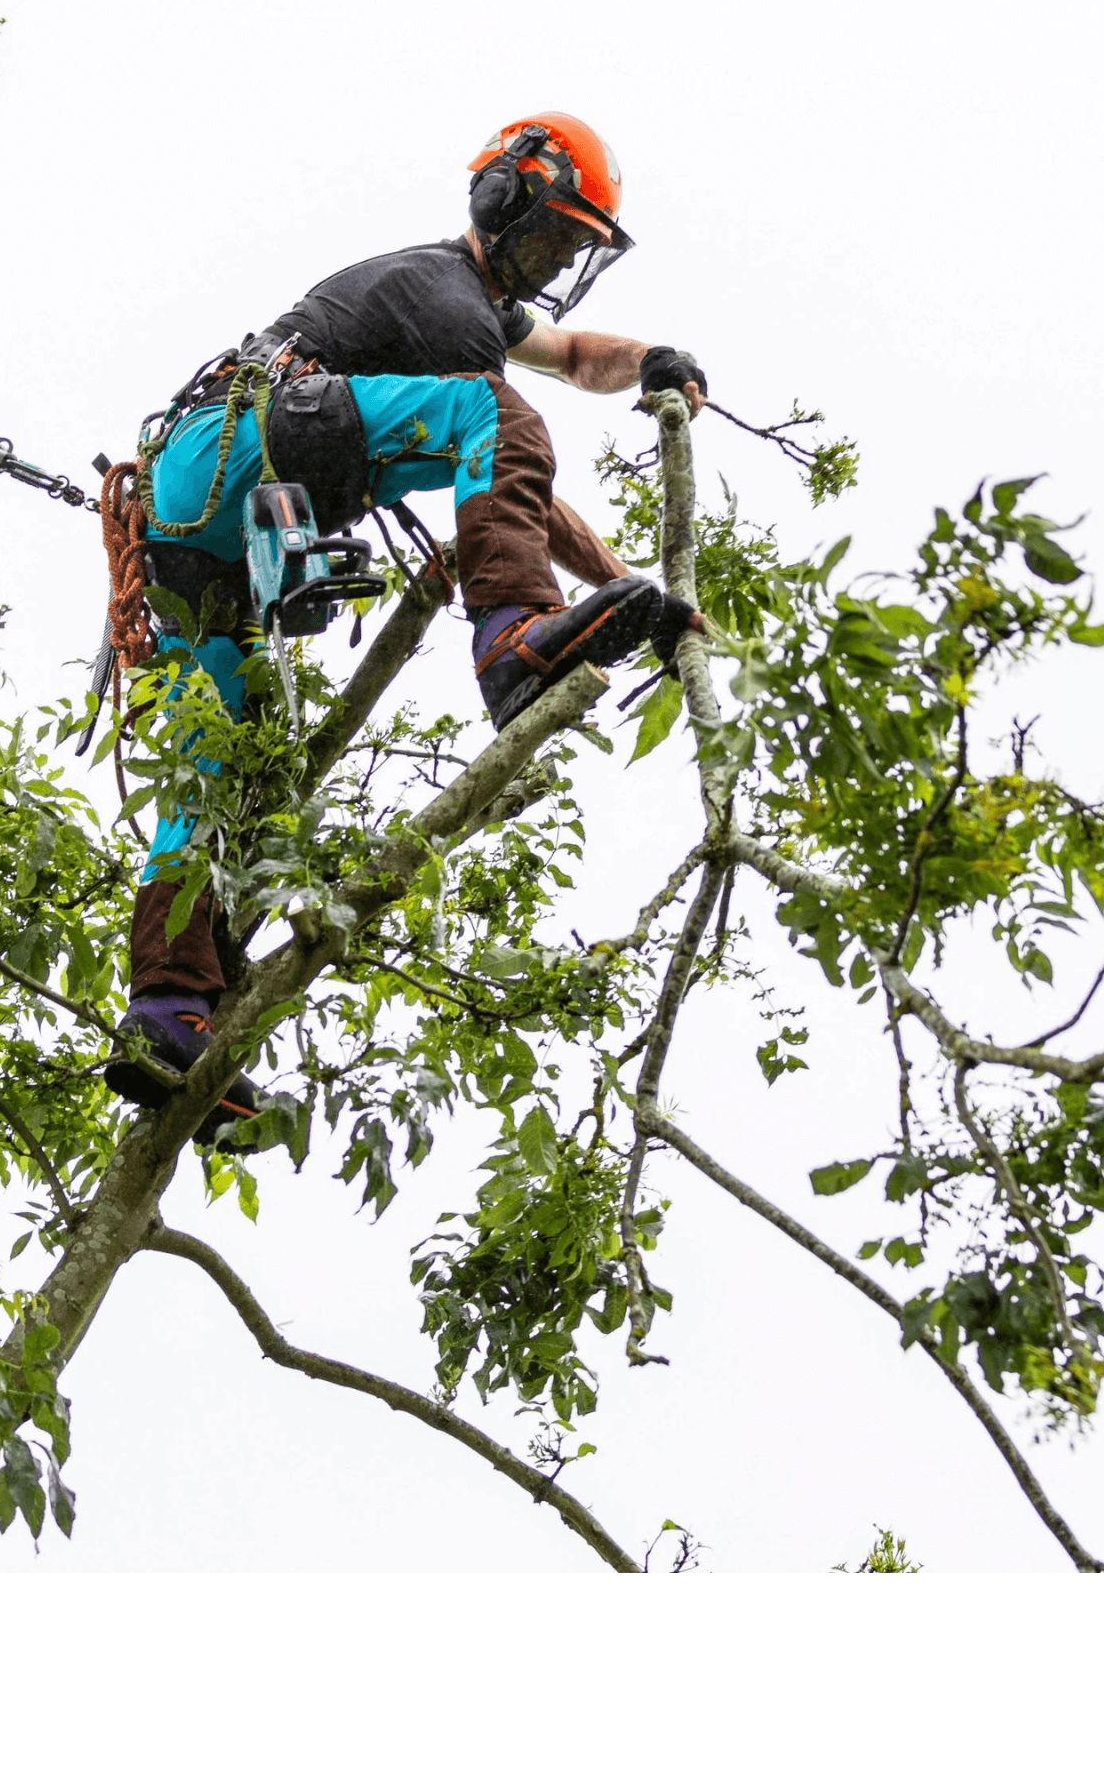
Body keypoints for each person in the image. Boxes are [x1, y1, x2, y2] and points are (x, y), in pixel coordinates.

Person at [104, 113, 707, 1133]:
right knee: (502, 424)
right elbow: (515, 449)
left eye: (572, 248)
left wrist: (651, 355)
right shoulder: (442, 295)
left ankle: (168, 1010)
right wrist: (632, 590)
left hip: (191, 518)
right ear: (499, 202)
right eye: (549, 233)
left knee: (232, 762)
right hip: (242, 441)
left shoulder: (474, 311)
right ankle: (513, 635)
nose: (553, 259)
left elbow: (568, 353)